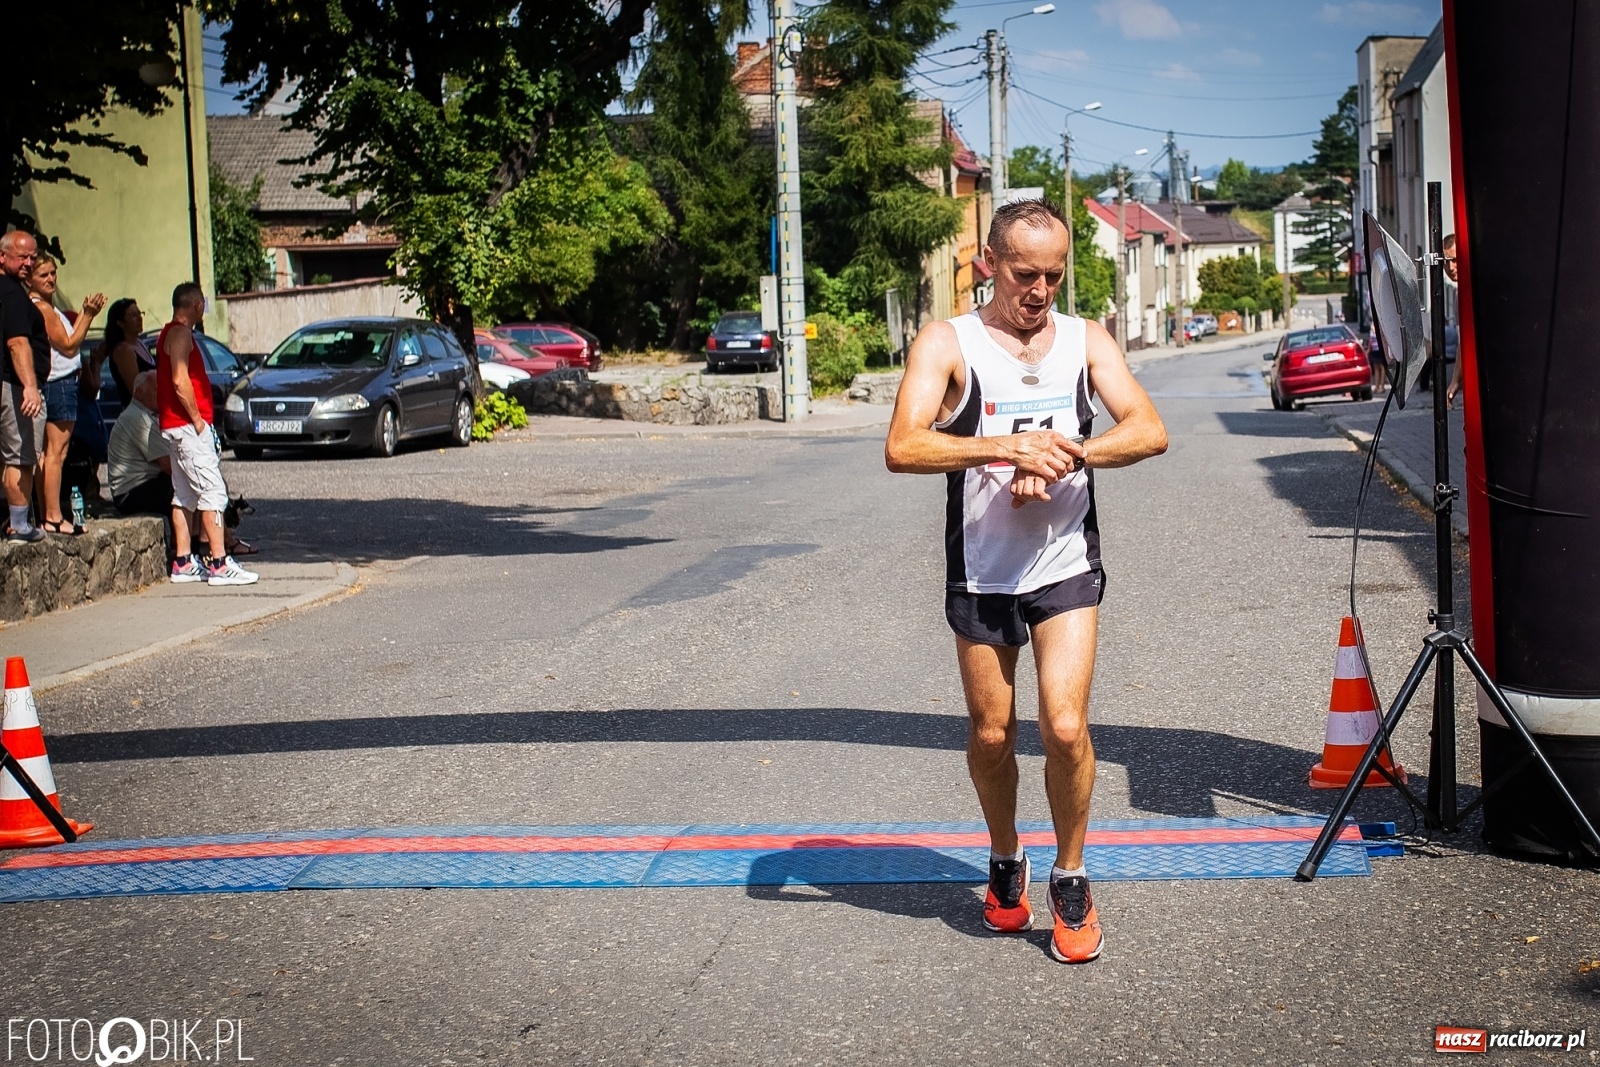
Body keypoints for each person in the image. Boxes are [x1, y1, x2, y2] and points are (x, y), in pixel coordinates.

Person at [884, 199, 1167, 964]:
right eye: (1024, 274)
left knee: (1066, 725)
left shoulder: (1086, 339)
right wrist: (1005, 447)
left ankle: (1070, 877)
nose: (1040, 290)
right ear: (988, 264)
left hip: (1064, 563)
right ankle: (1006, 856)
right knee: (992, 732)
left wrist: (1069, 452)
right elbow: (903, 446)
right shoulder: (949, 342)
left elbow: (1148, 428)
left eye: (1054, 274)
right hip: (982, 567)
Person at [156, 282, 257, 586]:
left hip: (176, 426)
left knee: (184, 494)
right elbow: (179, 378)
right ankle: (219, 562)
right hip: (187, 426)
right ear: (197, 305)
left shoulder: (170, 333)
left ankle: (184, 561)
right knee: (213, 492)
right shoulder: (180, 333)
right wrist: (198, 419)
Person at [26, 253, 105, 534]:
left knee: (47, 454)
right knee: (56, 452)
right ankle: (53, 516)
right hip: (59, 383)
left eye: (53, 273)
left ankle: (45, 516)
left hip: (55, 382)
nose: (50, 279)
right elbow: (70, 346)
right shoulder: (43, 309)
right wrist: (88, 314)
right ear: (30, 279)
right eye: (43, 275)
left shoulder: (44, 306)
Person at [0, 231, 49, 544]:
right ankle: (19, 524)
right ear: (2, 256)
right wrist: (30, 387)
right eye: (22, 257)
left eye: (33, 257)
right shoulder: (13, 295)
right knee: (20, 455)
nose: (29, 263)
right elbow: (18, 342)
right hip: (14, 387)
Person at [102, 298, 155, 408]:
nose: (140, 318)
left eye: (140, 313)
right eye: (133, 316)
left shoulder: (140, 343)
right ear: (120, 323)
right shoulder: (123, 351)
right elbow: (135, 389)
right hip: (139, 415)